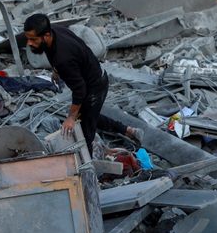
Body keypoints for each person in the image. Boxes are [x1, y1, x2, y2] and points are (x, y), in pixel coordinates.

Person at [23, 13, 141, 154]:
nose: (29, 43)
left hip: (94, 87)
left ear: (46, 35)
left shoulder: (63, 58)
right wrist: (56, 70)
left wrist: (71, 117)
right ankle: (129, 131)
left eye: (33, 39)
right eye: (28, 39)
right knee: (89, 115)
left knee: (85, 134)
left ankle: (89, 170)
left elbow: (80, 90)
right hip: (92, 76)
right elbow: (78, 49)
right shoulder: (56, 32)